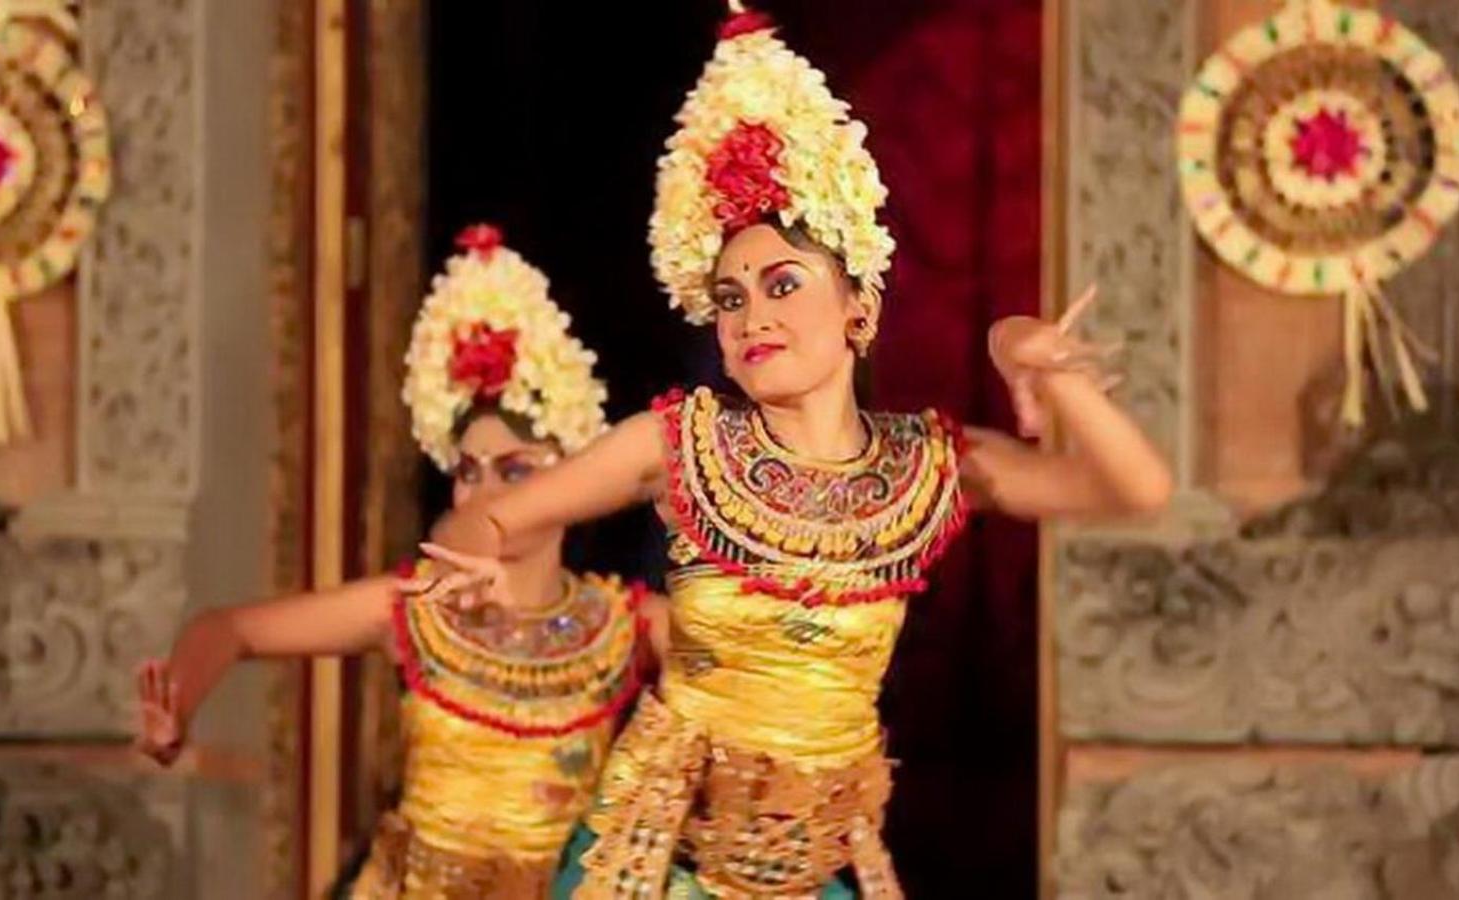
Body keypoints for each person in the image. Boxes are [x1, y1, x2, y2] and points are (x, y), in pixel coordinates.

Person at [416, 9, 1173, 898]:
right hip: (662, 867)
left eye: (782, 285)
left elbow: (1136, 490)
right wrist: (474, 564)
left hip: (814, 869)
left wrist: (1031, 351)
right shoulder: (680, 443)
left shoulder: (929, 465)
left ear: (859, 309)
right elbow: (488, 521)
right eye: (730, 299)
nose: (753, 318)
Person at [134, 226, 664, 899]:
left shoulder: (622, 626)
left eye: (515, 471)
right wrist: (177, 708)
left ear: (571, 482)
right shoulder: (418, 606)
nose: (484, 493)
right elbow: (230, 630)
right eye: (467, 472)